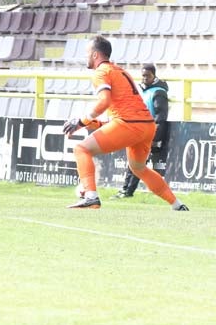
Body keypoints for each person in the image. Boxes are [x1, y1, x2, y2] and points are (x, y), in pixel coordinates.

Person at [64, 36, 187, 211]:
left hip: (129, 124)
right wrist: (97, 124)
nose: (85, 57)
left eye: (87, 53)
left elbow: (104, 102)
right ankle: (177, 205)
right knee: (138, 167)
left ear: (95, 55)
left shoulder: (101, 72)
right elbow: (124, 108)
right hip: (146, 125)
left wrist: (81, 121)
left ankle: (91, 196)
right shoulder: (120, 71)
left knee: (81, 149)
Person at [112, 64, 169, 199]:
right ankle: (126, 190)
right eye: (143, 76)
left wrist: (154, 136)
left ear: (154, 76)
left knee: (138, 164)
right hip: (138, 131)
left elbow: (160, 117)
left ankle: (128, 191)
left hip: (148, 133)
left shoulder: (158, 92)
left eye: (147, 76)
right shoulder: (142, 90)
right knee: (135, 162)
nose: (144, 79)